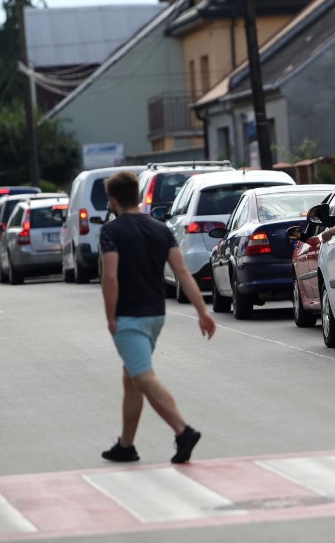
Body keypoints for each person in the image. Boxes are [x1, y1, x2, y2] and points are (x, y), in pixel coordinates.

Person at [98, 170, 216, 465]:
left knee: (144, 377)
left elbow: (110, 278)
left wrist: (110, 316)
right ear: (138, 196)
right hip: (155, 316)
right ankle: (126, 445)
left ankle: (183, 431)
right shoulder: (161, 229)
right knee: (132, 378)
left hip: (129, 317)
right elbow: (183, 273)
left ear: (113, 201)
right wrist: (202, 311)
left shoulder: (111, 231)